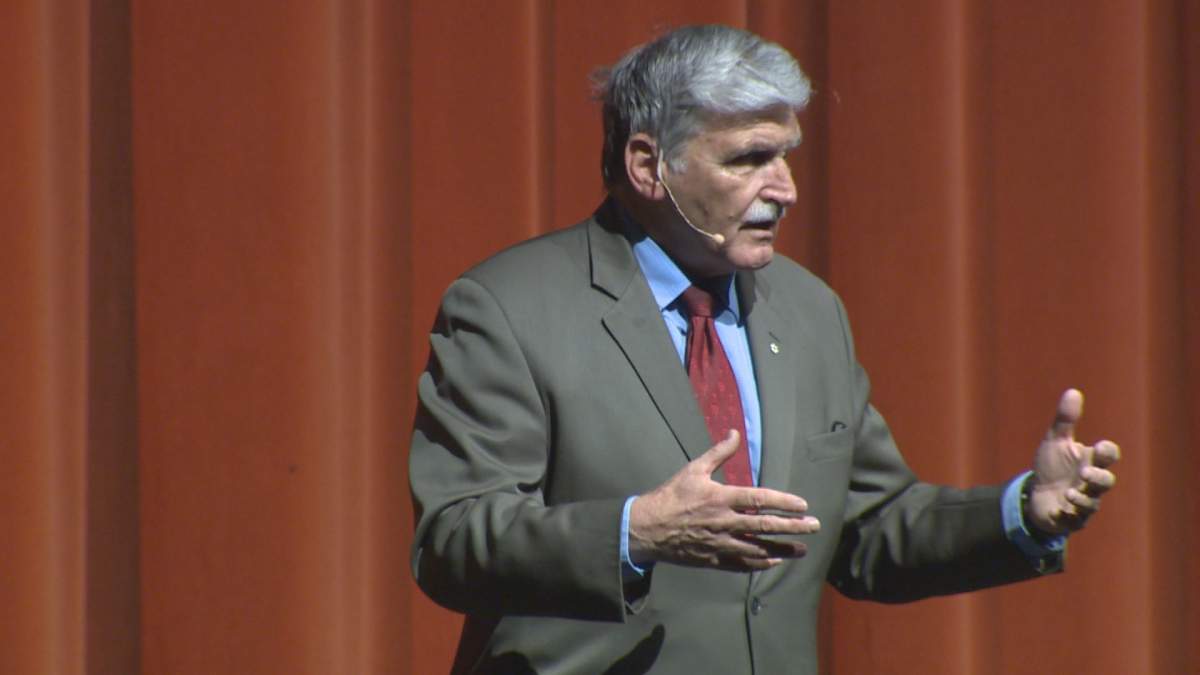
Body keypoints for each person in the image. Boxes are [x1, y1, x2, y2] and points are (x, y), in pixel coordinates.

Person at [408, 24, 1120, 675]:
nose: (786, 189)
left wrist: (1022, 512)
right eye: (750, 158)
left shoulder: (809, 311)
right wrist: (635, 531)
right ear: (648, 165)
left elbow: (868, 528)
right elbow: (452, 540)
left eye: (786, 156)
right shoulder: (510, 307)